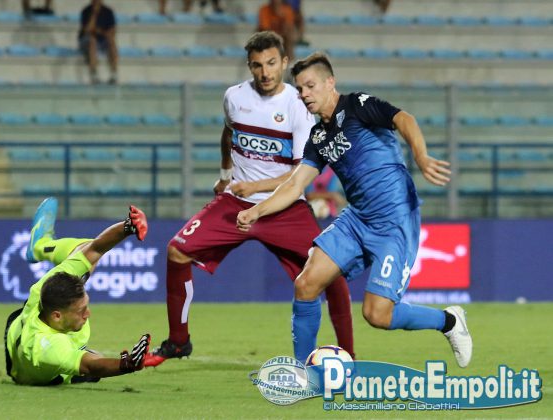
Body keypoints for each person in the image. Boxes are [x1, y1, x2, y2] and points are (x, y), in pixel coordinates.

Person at [237, 53, 473, 368]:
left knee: (377, 314)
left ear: (330, 83)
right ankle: (303, 371)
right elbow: (295, 185)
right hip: (357, 219)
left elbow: (404, 119)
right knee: (305, 284)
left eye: (310, 86)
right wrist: (257, 211)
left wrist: (421, 155)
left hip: (394, 221)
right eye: (300, 89)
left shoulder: (358, 106)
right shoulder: (318, 137)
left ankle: (449, 321)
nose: (304, 94)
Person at [144, 32, 354, 368]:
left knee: (332, 273)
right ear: (249, 66)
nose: (265, 72)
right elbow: (229, 132)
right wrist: (225, 174)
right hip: (235, 204)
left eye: (271, 63)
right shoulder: (234, 97)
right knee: (176, 251)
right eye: (257, 65)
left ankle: (349, 356)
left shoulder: (298, 106)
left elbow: (300, 172)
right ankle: (179, 341)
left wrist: (255, 186)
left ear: (284, 62)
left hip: (284, 207)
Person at [4, 197, 151, 385]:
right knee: (95, 361)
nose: (88, 313)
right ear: (57, 316)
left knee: (84, 251)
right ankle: (40, 246)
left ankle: (39, 245)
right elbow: (91, 365)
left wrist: (128, 227)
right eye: (81, 310)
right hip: (29, 372)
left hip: (18, 327)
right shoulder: (50, 347)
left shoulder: (46, 286)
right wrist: (128, 364)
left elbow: (95, 249)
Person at [78, 0, 118, 84]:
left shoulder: (108, 12)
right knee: (92, 40)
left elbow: (112, 31)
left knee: (112, 41)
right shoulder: (86, 11)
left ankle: (114, 74)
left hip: (102, 40)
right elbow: (87, 30)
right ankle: (94, 74)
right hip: (87, 40)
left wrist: (100, 31)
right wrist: (94, 14)